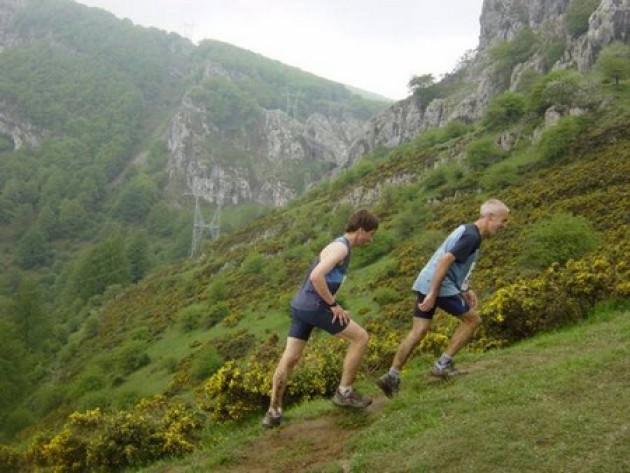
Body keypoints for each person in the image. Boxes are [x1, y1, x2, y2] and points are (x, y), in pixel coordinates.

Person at [376, 199, 510, 398]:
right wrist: (433, 293)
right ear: (490, 217)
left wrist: (465, 287)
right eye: (503, 221)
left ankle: (391, 376)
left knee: (418, 330)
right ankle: (443, 365)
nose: (504, 226)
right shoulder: (472, 237)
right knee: (473, 320)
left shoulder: (467, 230)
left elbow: (457, 264)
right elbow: (445, 260)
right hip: (438, 285)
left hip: (427, 280)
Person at [262, 209, 380, 428]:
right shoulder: (341, 248)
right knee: (361, 338)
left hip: (300, 306)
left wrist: (335, 305)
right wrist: (333, 305)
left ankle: (273, 412)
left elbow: (319, 278)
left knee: (290, 358)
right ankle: (344, 392)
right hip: (315, 306)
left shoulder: (337, 245)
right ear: (361, 230)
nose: (371, 239)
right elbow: (316, 276)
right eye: (371, 234)